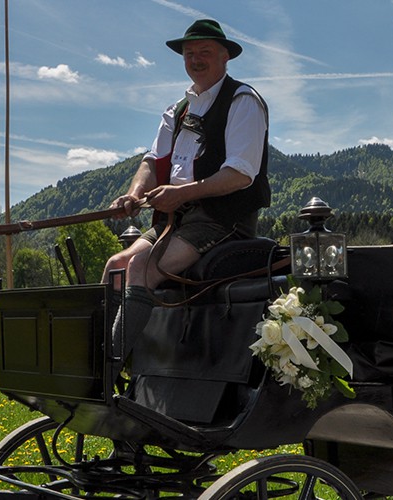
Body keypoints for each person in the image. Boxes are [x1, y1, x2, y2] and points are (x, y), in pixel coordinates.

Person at [103, 19, 270, 359]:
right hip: (173, 221)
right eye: (189, 53)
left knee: (140, 267)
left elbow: (240, 174)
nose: (195, 59)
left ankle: (112, 366)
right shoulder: (177, 110)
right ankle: (103, 360)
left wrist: (181, 194)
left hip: (223, 222)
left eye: (204, 52)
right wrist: (135, 194)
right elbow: (152, 161)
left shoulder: (243, 101)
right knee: (115, 265)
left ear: (225, 57)